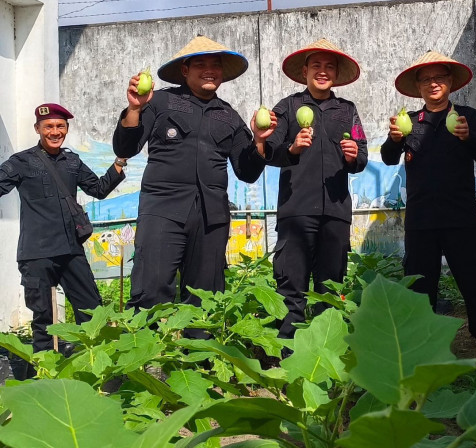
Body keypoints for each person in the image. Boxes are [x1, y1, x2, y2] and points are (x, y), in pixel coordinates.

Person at [113, 35, 275, 333]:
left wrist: (260, 142)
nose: (209, 70)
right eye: (200, 64)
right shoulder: (159, 102)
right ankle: (139, 370)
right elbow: (126, 147)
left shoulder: (229, 116)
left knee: (205, 298)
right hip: (163, 211)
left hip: (211, 218)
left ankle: (198, 369)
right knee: (150, 290)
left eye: (215, 65)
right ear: (185, 70)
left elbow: (247, 171)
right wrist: (134, 109)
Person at [380, 51, 476, 372]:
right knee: (420, 288)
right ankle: (421, 356)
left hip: (460, 216)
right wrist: (394, 138)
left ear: (450, 82)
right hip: (421, 220)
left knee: (474, 283)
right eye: (426, 79)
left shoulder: (467, 116)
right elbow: (386, 157)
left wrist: (469, 136)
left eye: (439, 77)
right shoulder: (410, 122)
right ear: (418, 86)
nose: (433, 83)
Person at [0, 103, 125, 361]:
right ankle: (43, 374)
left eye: (60, 126)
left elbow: (99, 189)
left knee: (92, 312)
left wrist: (119, 162)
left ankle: (95, 368)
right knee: (43, 318)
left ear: (66, 129)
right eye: (48, 127)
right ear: (38, 129)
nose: (54, 131)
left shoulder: (72, 162)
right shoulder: (21, 162)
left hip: (71, 250)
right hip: (37, 253)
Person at [262, 39, 368, 344]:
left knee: (330, 288)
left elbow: (361, 155)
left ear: (335, 73)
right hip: (296, 210)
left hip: (335, 212)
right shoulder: (288, 107)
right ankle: (287, 353)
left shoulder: (348, 111)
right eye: (316, 66)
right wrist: (292, 148)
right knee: (291, 287)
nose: (323, 72)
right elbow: (271, 151)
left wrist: (353, 156)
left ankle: (325, 350)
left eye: (329, 66)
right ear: (305, 71)